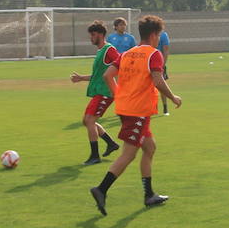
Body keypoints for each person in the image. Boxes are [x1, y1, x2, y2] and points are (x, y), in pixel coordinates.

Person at [88, 15, 181, 215]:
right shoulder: (153, 54)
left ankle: (149, 195)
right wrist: (173, 97)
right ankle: (101, 189)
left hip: (128, 108)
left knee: (150, 148)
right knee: (129, 154)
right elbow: (157, 81)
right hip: (137, 111)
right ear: (155, 35)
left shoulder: (128, 53)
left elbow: (107, 75)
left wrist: (119, 95)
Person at [69, 21, 123, 165]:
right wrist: (81, 78)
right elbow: (98, 75)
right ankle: (111, 143)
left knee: (90, 121)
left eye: (93, 35)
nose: (90, 38)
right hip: (99, 92)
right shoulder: (100, 52)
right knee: (86, 121)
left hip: (106, 93)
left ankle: (95, 156)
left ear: (100, 34)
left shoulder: (108, 49)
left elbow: (121, 64)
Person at [158, 27, 172, 115]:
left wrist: (162, 65)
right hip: (148, 64)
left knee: (162, 87)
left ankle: (165, 107)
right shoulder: (149, 34)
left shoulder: (163, 35)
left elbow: (166, 50)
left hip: (160, 65)